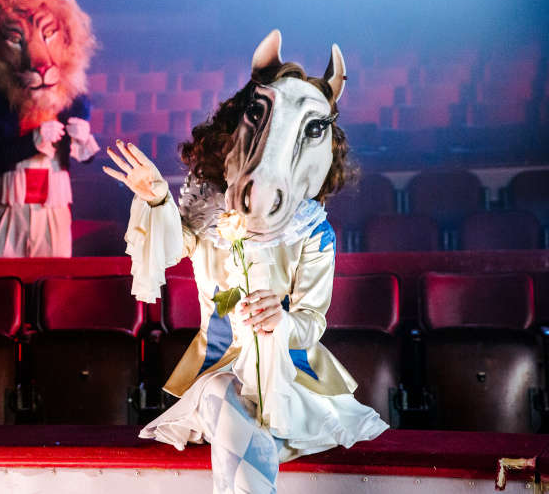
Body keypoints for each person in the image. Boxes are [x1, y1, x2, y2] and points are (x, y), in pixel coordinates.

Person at [103, 30, 388, 494]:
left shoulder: (312, 231)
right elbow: (177, 249)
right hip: (220, 367)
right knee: (222, 395)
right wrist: (157, 201)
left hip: (290, 377)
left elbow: (312, 322)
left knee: (237, 425)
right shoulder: (209, 212)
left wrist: (281, 320)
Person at [0, 0, 99, 258]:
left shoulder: (72, 100)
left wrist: (85, 141)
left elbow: (87, 158)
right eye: (17, 40)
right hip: (12, 200)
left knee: (53, 281)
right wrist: (34, 140)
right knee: (2, 281)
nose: (39, 62)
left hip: (54, 201)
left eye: (48, 35)